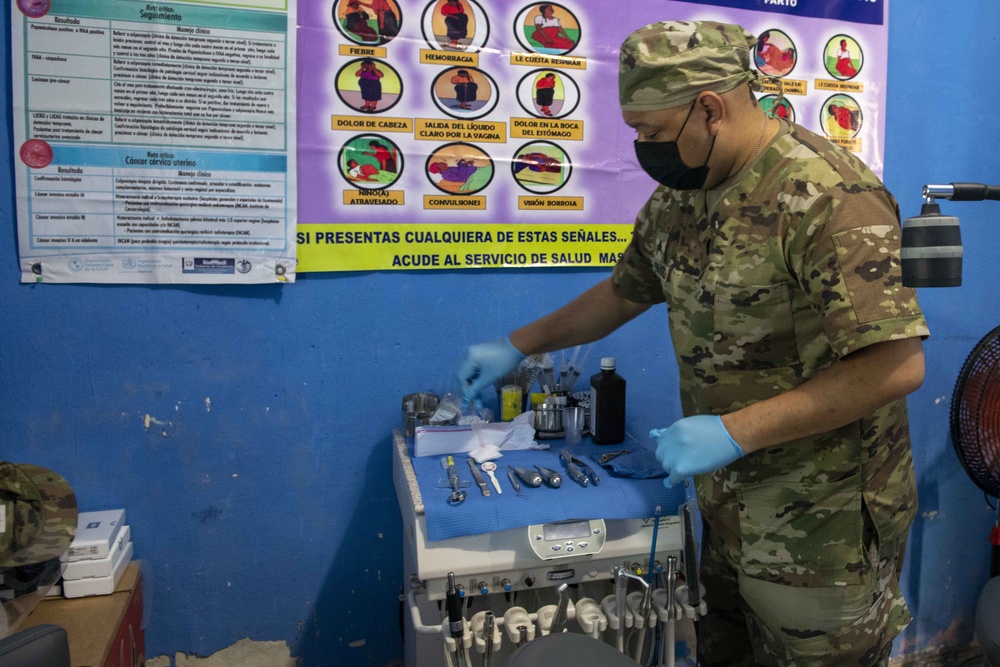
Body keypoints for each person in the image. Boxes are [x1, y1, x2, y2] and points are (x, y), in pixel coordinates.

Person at [456, 20, 928, 667]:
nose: (642, 146)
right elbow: (624, 291)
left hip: (825, 526)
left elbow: (895, 365)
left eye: (651, 130)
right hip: (730, 509)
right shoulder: (683, 196)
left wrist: (735, 429)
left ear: (709, 108)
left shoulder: (827, 195)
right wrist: (518, 343)